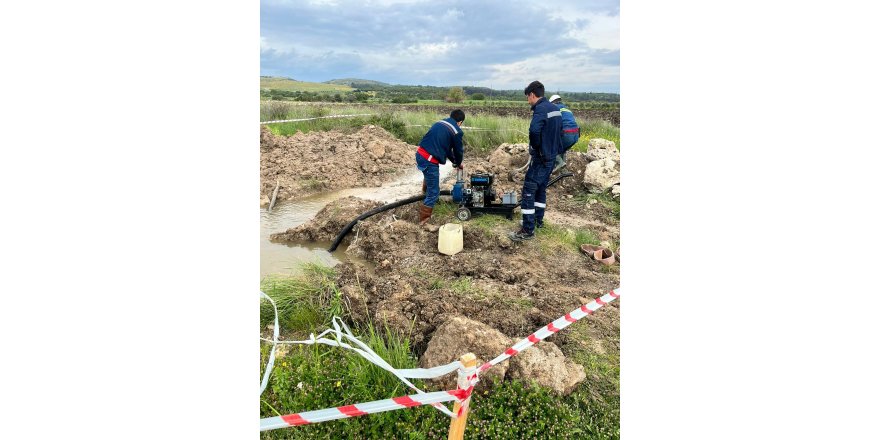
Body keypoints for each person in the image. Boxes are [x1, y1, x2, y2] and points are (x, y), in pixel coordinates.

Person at [509, 81, 563, 241]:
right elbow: (560, 131)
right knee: (540, 189)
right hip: (552, 156)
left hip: (541, 157)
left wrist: (537, 147)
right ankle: (538, 221)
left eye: (528, 97)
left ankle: (527, 229)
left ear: (532, 94)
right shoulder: (555, 109)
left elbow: (534, 130)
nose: (528, 101)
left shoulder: (540, 109)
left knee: (528, 190)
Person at [415, 109, 465, 225]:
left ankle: (424, 198)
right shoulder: (457, 132)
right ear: (460, 122)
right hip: (429, 160)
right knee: (434, 192)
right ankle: (424, 223)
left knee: (429, 179)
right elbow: (458, 151)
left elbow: (446, 148)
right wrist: (458, 162)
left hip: (420, 154)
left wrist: (455, 161)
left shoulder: (440, 123)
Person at [548, 94, 580, 173]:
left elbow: (549, 121)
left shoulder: (555, 109)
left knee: (547, 147)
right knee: (561, 150)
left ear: (552, 103)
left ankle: (560, 163)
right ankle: (563, 170)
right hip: (576, 135)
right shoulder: (567, 109)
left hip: (567, 134)